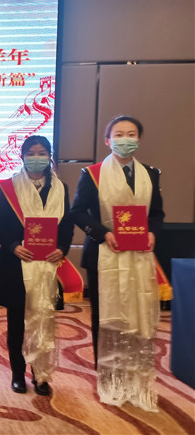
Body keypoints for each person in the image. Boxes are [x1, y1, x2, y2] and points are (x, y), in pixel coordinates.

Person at [70, 115, 164, 411]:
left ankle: (135, 374)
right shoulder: (93, 174)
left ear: (139, 139)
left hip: (139, 255)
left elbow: (157, 214)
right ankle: (109, 377)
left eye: (131, 134)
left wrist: (152, 232)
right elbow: (78, 212)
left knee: (137, 313)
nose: (125, 139)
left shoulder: (150, 174)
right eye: (119, 134)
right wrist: (104, 233)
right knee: (107, 317)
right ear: (107, 140)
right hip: (104, 254)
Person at [0, 135, 73, 396]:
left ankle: (41, 374)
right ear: (22, 156)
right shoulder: (8, 187)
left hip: (48, 265)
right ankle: (17, 372)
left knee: (44, 320)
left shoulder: (61, 188)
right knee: (17, 323)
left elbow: (67, 225)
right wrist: (13, 245)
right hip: (17, 263)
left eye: (42, 153)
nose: (37, 158)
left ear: (50, 156)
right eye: (31, 153)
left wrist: (62, 248)